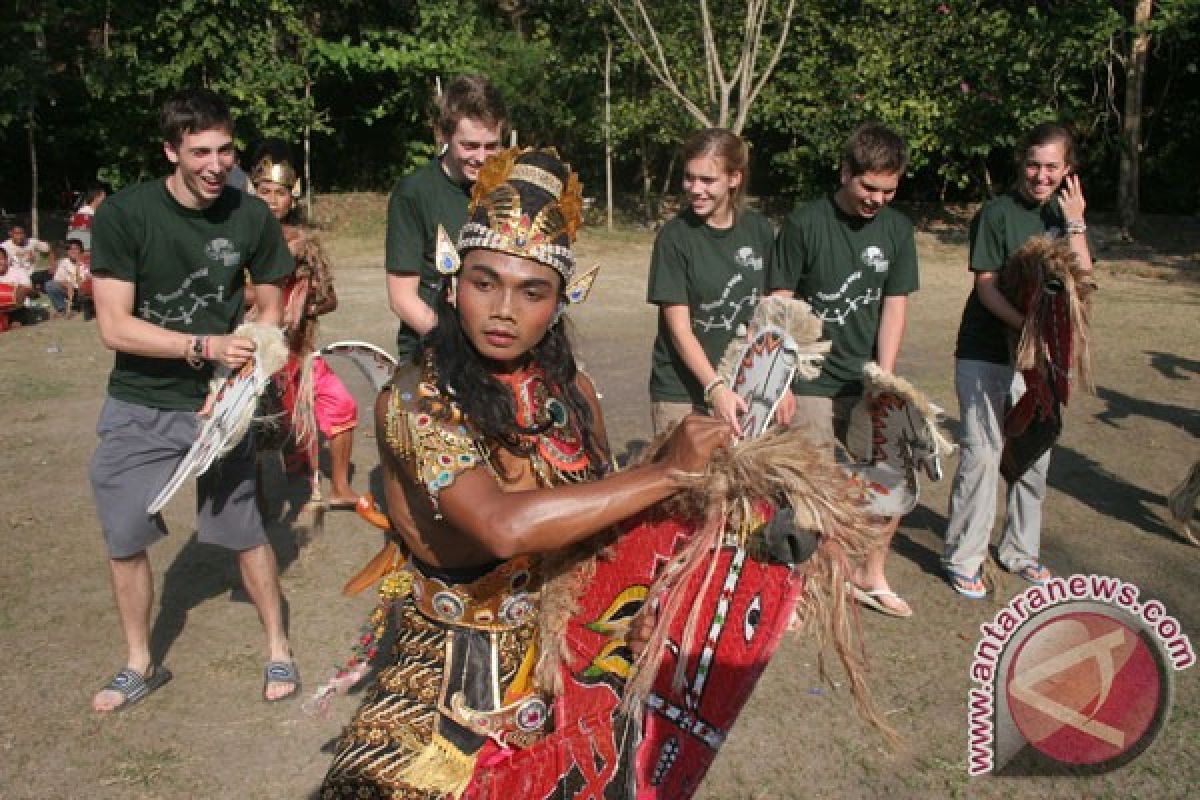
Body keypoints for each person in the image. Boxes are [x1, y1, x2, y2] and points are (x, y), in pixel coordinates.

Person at [320, 148, 731, 798]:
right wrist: (666, 473)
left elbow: (603, 531)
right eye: (485, 283)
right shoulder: (415, 396)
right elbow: (499, 525)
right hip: (447, 686)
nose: (504, 308)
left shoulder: (574, 394)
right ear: (453, 282)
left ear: (561, 301)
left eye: (532, 291)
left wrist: (643, 602)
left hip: (572, 670)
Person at [88, 88, 299, 712]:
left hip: (219, 406)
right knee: (124, 537)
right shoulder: (125, 215)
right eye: (200, 151)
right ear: (171, 151)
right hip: (139, 402)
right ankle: (139, 663)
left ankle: (278, 646)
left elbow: (270, 300)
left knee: (242, 528)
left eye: (225, 149)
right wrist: (203, 346)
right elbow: (115, 327)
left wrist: (242, 373)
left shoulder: (250, 214)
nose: (215, 164)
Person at [768, 123, 919, 618]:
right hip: (811, 378)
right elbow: (779, 302)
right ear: (845, 172)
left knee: (890, 476)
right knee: (810, 485)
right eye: (868, 188)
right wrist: (781, 377)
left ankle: (869, 576)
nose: (877, 199)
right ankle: (800, 587)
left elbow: (893, 306)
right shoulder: (806, 222)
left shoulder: (897, 230)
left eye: (888, 190)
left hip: (864, 377)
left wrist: (885, 379)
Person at [942, 122, 1092, 597]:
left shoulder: (1061, 218)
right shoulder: (997, 214)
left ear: (1068, 171)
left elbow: (1083, 283)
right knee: (983, 454)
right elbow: (985, 286)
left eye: (1052, 166)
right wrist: (1027, 329)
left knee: (1034, 455)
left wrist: (1076, 221)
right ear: (1020, 163)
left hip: (1040, 360)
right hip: (986, 349)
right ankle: (964, 556)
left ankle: (1019, 551)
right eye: (1033, 164)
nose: (1041, 175)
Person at [248, 144, 360, 510]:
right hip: (259, 353)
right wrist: (273, 302)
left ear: (290, 198)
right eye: (264, 191)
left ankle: (341, 487)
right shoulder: (240, 237)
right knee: (257, 425)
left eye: (279, 192)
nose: (271, 200)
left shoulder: (306, 243)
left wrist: (305, 306)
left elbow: (331, 298)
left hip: (301, 353)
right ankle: (257, 499)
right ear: (253, 191)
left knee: (342, 405)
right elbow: (233, 296)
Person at [647, 128, 778, 434]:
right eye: (689, 177)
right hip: (681, 392)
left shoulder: (758, 231)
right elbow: (679, 329)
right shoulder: (674, 238)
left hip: (742, 385)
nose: (695, 189)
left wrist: (771, 382)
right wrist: (715, 389)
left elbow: (766, 311)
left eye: (707, 180)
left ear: (734, 179)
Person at [385, 74, 506, 362]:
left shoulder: (510, 189)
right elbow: (402, 299)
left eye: (492, 146)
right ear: (443, 134)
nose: (481, 158)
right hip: (434, 350)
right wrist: (458, 344)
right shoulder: (413, 193)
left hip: (500, 347)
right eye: (470, 145)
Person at [45, 238, 89, 317]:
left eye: (75, 249)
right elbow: (57, 280)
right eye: (70, 249)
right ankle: (62, 309)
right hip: (69, 290)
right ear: (67, 252)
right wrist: (67, 284)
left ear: (81, 250)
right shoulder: (64, 262)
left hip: (84, 291)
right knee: (50, 285)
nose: (72, 251)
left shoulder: (86, 262)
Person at [0, 248, 33, 331]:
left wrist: (15, 290)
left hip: (19, 309)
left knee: (15, 326)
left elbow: (28, 289)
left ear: (7, 259)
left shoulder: (19, 272)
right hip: (2, 311)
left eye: (0, 259)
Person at [67, 186, 107, 251]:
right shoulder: (87, 215)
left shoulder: (81, 212)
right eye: (103, 198)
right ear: (96, 198)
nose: (105, 201)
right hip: (85, 252)